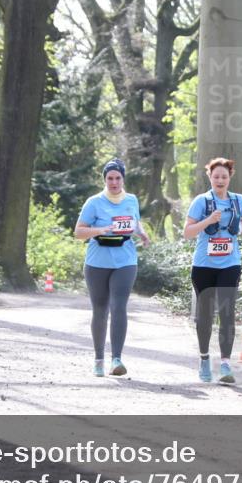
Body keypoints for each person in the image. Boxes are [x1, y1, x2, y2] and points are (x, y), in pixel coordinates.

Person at [74, 159, 150, 377]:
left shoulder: (132, 200)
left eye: (118, 178)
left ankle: (116, 359)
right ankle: (99, 358)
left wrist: (141, 232)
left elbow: (134, 222)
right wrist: (100, 229)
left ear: (123, 179)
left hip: (125, 260)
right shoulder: (94, 202)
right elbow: (79, 231)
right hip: (97, 261)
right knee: (100, 309)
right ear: (105, 180)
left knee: (119, 306)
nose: (114, 182)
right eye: (110, 178)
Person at [183, 158, 242, 384]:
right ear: (210, 178)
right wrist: (208, 220)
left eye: (224, 176)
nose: (220, 180)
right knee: (205, 315)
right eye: (216, 177)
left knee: (227, 312)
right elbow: (188, 232)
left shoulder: (238, 200)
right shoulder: (201, 202)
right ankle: (204, 359)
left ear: (230, 177)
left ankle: (225, 364)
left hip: (230, 263)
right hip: (203, 265)